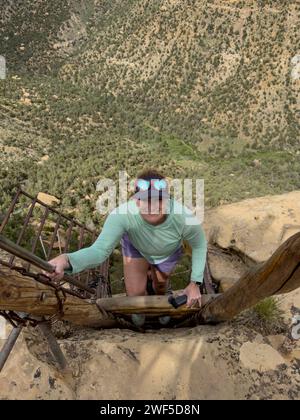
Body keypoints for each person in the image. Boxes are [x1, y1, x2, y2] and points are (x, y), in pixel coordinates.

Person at [47, 169, 207, 326]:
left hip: (167, 252)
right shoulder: (122, 215)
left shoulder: (184, 217)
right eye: (145, 200)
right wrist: (67, 259)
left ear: (168, 200)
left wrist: (195, 284)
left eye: (159, 200)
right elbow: (100, 251)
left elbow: (199, 245)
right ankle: (140, 312)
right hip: (137, 247)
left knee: (160, 286)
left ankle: (162, 301)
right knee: (135, 295)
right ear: (136, 200)